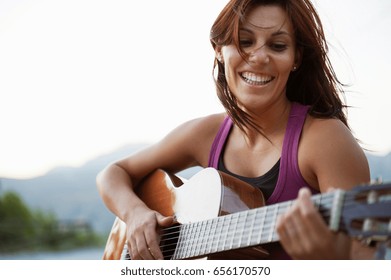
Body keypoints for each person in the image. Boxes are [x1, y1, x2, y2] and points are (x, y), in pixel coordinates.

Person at [96, 0, 373, 260]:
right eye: (245, 41)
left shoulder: (325, 140)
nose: (259, 57)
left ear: (296, 58)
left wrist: (328, 257)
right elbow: (112, 174)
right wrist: (135, 214)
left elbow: (365, 258)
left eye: (277, 46)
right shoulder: (205, 134)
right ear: (219, 49)